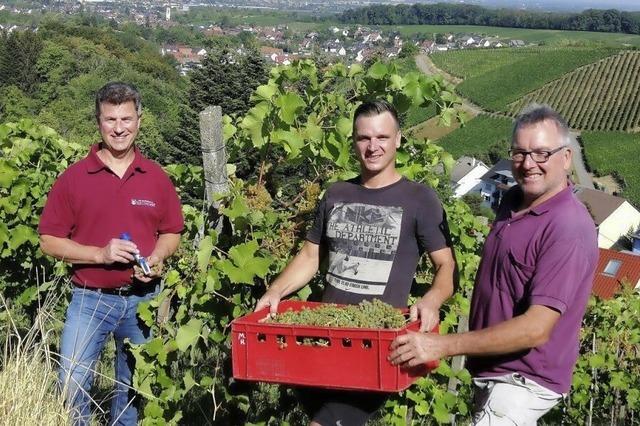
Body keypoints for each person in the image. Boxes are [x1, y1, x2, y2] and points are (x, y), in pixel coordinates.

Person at [389, 104, 599, 425]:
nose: (529, 164)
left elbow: (535, 329)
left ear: (566, 158)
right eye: (520, 153)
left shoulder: (567, 228)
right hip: (494, 373)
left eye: (542, 154)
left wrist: (442, 346)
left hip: (522, 383)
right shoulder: (513, 201)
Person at [255, 99, 457, 426]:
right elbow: (310, 256)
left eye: (382, 137)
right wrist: (277, 290)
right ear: (353, 140)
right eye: (364, 138)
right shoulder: (336, 194)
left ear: (398, 139)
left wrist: (432, 299)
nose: (373, 146)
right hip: (324, 341)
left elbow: (446, 266)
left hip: (374, 349)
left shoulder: (420, 200)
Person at [38, 82, 184, 425]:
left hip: (143, 300)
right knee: (73, 386)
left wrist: (160, 257)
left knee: (133, 392)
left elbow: (172, 232)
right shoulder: (74, 179)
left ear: (139, 121)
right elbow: (49, 241)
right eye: (110, 119)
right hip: (90, 299)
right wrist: (101, 255)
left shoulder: (156, 178)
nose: (119, 128)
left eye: (126, 119)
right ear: (98, 122)